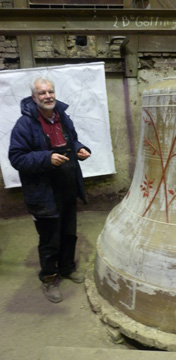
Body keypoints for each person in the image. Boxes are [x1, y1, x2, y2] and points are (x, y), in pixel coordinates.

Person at [9, 76, 91, 303]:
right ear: (34, 98)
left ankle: (66, 268)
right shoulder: (24, 124)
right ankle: (49, 278)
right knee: (50, 239)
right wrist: (46, 158)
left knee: (68, 233)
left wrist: (80, 148)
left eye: (50, 91)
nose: (48, 96)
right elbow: (17, 158)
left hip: (67, 187)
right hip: (44, 192)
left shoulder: (62, 117)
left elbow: (71, 141)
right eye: (42, 93)